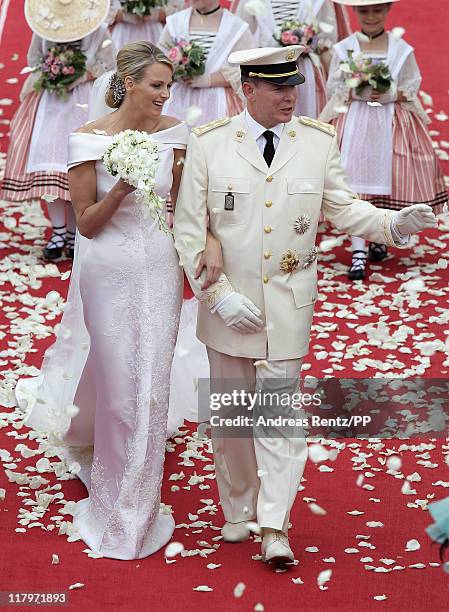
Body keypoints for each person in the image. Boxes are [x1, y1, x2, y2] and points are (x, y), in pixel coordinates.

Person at [173, 44, 437, 564]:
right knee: (231, 419)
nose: (290, 96)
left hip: (288, 304)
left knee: (278, 414)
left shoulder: (317, 142)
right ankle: (238, 507)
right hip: (228, 305)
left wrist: (391, 224)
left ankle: (274, 526)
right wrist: (219, 297)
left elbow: (340, 205)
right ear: (247, 89)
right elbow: (188, 228)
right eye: (277, 87)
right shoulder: (209, 144)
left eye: (293, 86)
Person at [16, 41, 222, 560]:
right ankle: (113, 488)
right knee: (119, 383)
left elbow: (189, 202)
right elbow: (85, 224)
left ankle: (138, 501)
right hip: (107, 269)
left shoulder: (176, 132)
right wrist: (121, 191)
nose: (165, 94)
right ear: (128, 83)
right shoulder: (86, 139)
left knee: (150, 381)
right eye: (156, 84)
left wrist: (211, 236)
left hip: (157, 263)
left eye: (168, 86)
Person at [321, 0, 447, 280]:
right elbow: (334, 87)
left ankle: (380, 233)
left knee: (385, 176)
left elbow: (412, 83)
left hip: (388, 122)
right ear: (355, 13)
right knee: (354, 179)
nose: (371, 17)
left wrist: (390, 93)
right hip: (355, 122)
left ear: (388, 10)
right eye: (364, 11)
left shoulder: (401, 50)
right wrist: (356, 92)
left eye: (378, 10)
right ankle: (357, 250)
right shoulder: (345, 49)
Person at [0, 0, 116, 261]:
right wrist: (50, 72)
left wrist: (85, 73)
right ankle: (58, 231)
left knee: (78, 168)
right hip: (51, 103)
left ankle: (76, 233)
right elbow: (32, 60)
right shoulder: (44, 28)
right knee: (50, 164)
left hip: (84, 103)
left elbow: (110, 64)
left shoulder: (97, 29)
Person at [235, 0, 339, 117]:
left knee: (307, 121)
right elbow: (243, 40)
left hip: (307, 73)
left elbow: (327, 42)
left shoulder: (318, 2)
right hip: (267, 72)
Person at [158, 0, 256, 124]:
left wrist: (209, 80)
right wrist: (176, 71)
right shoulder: (175, 22)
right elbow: (160, 59)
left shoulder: (236, 26)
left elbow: (247, 68)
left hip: (217, 101)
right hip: (178, 100)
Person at [110, 0, 184, 50]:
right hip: (123, 33)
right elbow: (103, 12)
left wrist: (155, 14)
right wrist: (124, 15)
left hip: (154, 31)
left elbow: (179, 13)